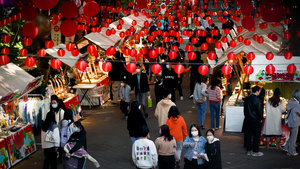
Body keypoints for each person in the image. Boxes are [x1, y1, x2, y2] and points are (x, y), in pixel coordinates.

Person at [244, 86, 264, 157]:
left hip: (248, 120)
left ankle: (249, 150)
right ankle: (255, 150)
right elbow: (259, 111)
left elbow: (245, 111)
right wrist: (261, 118)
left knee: (248, 135)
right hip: (256, 120)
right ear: (257, 91)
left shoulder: (247, 99)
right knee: (256, 136)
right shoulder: (258, 100)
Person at [284, 90, 300, 156]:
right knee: (293, 137)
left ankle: (286, 147)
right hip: (295, 121)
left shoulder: (290, 101)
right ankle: (291, 152)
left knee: (292, 136)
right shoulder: (297, 104)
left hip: (291, 121)